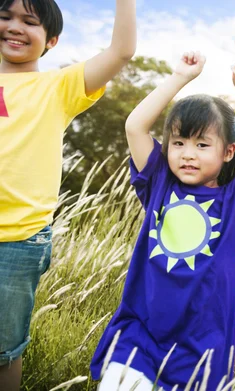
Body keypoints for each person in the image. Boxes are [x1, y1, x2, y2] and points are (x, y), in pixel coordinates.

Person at [89, 52, 235, 390]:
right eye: (178, 142)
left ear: (228, 151)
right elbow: (135, 126)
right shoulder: (158, 182)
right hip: (141, 330)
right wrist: (179, 77)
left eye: (201, 144)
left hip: (202, 343)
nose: (188, 153)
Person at [0, 1, 137, 389]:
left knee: (4, 350)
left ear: (52, 40)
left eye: (30, 21)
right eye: (5, 17)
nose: (14, 27)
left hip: (16, 240)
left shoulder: (57, 86)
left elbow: (121, 51)